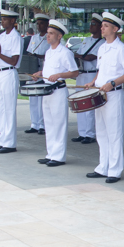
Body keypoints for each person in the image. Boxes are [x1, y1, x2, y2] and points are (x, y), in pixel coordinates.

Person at [84, 12, 124, 183]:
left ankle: (115, 170)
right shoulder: (102, 48)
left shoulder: (121, 49)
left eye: (105, 26)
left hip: (113, 94)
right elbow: (101, 71)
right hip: (99, 93)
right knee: (101, 132)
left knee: (114, 133)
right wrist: (93, 82)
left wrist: (112, 83)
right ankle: (103, 166)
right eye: (102, 25)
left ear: (114, 29)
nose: (102, 28)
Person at [31, 19, 79, 167]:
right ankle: (50, 153)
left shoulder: (65, 52)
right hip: (47, 91)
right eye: (48, 33)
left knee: (58, 124)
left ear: (59, 36)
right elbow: (49, 70)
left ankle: (58, 156)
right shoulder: (48, 52)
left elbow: (75, 72)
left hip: (58, 91)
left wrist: (59, 75)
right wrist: (40, 72)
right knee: (49, 124)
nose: (48, 36)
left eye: (51, 34)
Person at [0, 11, 22, 153]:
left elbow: (14, 61)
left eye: (4, 19)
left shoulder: (16, 37)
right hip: (0, 73)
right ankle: (2, 140)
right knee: (1, 109)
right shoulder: (1, 36)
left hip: (9, 72)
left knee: (9, 109)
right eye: (1, 19)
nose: (2, 22)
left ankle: (10, 143)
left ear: (12, 20)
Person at [72, 14, 104, 145]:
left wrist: (76, 55)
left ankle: (90, 133)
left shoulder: (102, 43)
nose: (91, 26)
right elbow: (80, 54)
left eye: (93, 24)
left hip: (91, 74)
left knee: (89, 105)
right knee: (79, 103)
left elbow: (91, 57)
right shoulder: (85, 40)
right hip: (81, 73)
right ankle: (82, 132)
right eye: (90, 24)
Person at [25, 14, 50, 135]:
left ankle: (42, 124)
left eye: (42, 23)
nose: (39, 26)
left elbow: (49, 55)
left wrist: (38, 56)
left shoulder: (49, 38)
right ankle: (34, 123)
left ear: (47, 24)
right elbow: (29, 52)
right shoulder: (34, 38)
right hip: (33, 68)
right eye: (38, 23)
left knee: (41, 98)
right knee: (33, 98)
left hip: (44, 70)